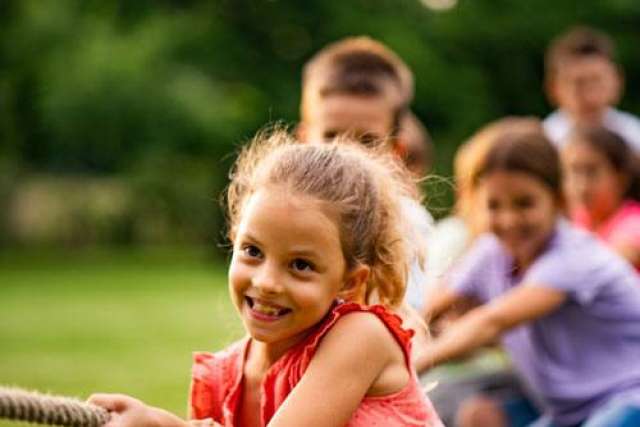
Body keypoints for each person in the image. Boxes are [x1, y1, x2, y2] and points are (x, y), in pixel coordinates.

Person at [89, 130, 443, 427]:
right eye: (253, 251)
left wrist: (161, 424)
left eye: (301, 265)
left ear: (350, 281)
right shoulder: (223, 376)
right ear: (233, 239)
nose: (267, 282)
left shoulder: (362, 337)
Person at [416, 125, 640, 427]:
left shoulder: (573, 256)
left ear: (558, 200)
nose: (509, 220)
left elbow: (491, 321)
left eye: (524, 203)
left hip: (626, 396)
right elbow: (429, 310)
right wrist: (395, 348)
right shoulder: (490, 251)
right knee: (476, 413)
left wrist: (410, 366)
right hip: (566, 412)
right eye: (494, 205)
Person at [298, 35, 432, 315]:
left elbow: (408, 320)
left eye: (367, 141)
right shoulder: (287, 214)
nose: (347, 153)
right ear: (303, 138)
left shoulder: (406, 225)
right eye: (331, 135)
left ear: (395, 151)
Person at [543, 26, 640, 151]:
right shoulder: (544, 142)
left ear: (618, 81)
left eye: (597, 81)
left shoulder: (634, 137)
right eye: (579, 83)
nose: (590, 95)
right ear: (553, 88)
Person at [562, 126, 640, 271]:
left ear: (621, 177)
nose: (582, 185)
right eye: (574, 171)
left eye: (592, 172)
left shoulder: (634, 223)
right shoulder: (576, 219)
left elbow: (602, 270)